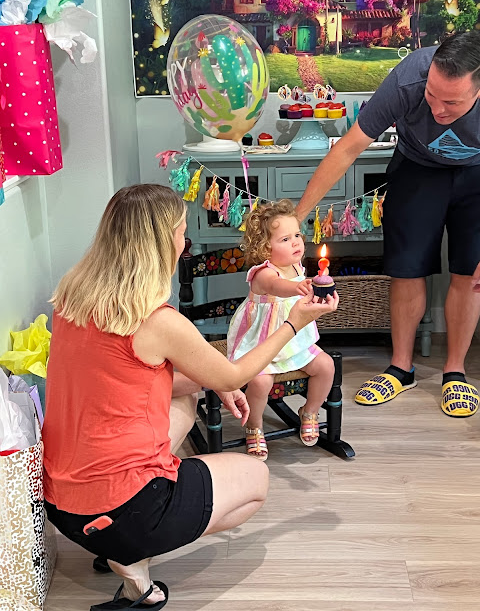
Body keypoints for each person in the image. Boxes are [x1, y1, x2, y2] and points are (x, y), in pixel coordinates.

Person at [42, 184, 331, 611]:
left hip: (61, 504)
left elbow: (139, 377)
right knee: (256, 480)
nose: (185, 240)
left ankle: (123, 538)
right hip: (123, 511)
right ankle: (133, 561)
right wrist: (294, 323)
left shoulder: (72, 296)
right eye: (181, 232)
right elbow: (238, 372)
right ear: (162, 242)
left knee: (188, 395)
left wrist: (213, 382)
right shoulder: (159, 321)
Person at [296, 31, 480, 418]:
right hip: (417, 167)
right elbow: (347, 148)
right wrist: (296, 217)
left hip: (477, 174)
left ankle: (455, 371)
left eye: (451, 102)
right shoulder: (408, 78)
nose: (437, 109)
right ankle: (401, 368)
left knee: (470, 272)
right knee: (406, 268)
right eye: (431, 95)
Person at [227, 200, 339, 460]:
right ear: (265, 247)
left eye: (297, 235)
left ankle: (309, 411)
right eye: (285, 239)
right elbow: (276, 286)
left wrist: (318, 297)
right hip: (261, 343)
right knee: (260, 381)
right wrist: (297, 287)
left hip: (293, 340)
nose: (296, 243)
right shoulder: (263, 273)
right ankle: (254, 425)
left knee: (326, 366)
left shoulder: (297, 266)